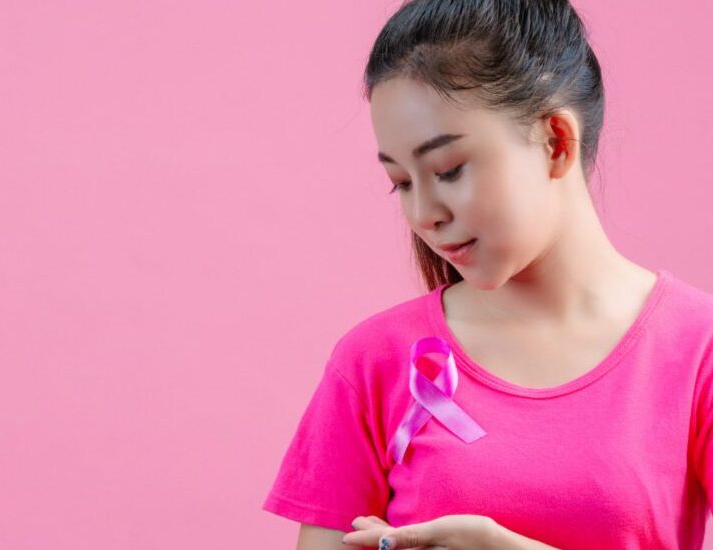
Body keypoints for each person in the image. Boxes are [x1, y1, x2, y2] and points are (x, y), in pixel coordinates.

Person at [261, 0, 713, 548]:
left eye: (448, 170)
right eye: (401, 182)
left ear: (556, 142)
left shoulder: (697, 348)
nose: (423, 214)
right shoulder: (373, 361)